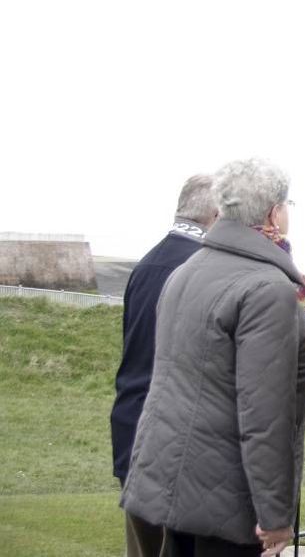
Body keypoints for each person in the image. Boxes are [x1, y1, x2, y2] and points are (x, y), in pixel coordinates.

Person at [121, 159, 305, 557]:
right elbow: (265, 414)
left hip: (171, 483)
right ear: (273, 213)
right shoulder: (267, 289)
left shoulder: (187, 270)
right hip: (228, 502)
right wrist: (275, 514)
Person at [110, 174, 217, 557]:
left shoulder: (149, 263)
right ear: (216, 213)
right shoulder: (197, 269)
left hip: (131, 428)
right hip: (170, 444)